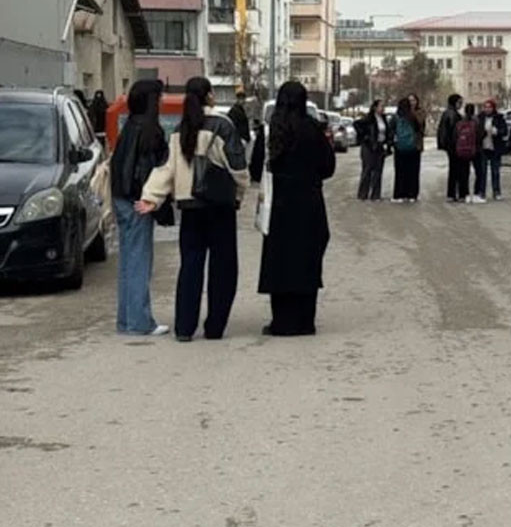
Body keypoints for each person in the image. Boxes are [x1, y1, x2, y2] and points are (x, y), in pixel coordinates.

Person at [138, 76, 248, 342]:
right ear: (210, 95)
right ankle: (214, 328)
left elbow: (166, 167)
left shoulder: (179, 130)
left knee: (190, 267)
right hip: (219, 207)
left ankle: (185, 327)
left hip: (190, 208)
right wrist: (239, 193)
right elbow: (237, 166)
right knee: (223, 268)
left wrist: (150, 197)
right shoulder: (223, 126)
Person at [257, 81, 335, 337]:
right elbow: (328, 167)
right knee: (307, 260)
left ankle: (282, 320)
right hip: (309, 202)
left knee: (280, 261)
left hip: (279, 205)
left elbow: (256, 166)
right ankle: (305, 320)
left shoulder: (271, 131)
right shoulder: (312, 129)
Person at [110, 80, 171, 336]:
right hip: (139, 200)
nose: (161, 102)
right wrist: (151, 200)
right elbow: (151, 169)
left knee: (128, 262)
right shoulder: (150, 131)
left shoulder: (128, 127)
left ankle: (126, 319)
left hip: (121, 198)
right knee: (139, 262)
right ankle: (139, 321)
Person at [353, 100, 390, 201]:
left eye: (383, 106)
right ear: (375, 107)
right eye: (381, 106)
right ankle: (363, 194)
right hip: (369, 147)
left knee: (378, 171)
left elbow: (386, 131)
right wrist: (365, 137)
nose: (383, 108)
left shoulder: (384, 119)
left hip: (380, 146)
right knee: (367, 170)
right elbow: (356, 124)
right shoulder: (369, 118)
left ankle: (375, 195)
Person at [474, 99, 508, 202]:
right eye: (486, 107)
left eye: (489, 107)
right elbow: (476, 132)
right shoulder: (480, 118)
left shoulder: (499, 118)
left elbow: (505, 131)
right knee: (482, 171)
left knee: (495, 171)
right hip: (483, 147)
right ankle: (482, 192)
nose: (487, 109)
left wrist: (497, 132)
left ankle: (496, 191)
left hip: (495, 147)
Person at [390, 97, 423, 203]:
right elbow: (419, 130)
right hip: (413, 148)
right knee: (413, 172)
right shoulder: (413, 117)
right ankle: (412, 194)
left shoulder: (396, 117)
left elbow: (391, 130)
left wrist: (392, 143)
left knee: (400, 172)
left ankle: (399, 194)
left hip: (399, 148)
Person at [452, 103, 482, 203]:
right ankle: (477, 193)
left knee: (463, 173)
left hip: (462, 151)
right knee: (479, 172)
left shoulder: (460, 123)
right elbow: (481, 135)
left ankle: (463, 194)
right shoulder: (477, 122)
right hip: (475, 150)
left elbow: (455, 136)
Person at [437, 94, 464, 202]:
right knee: (456, 170)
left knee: (454, 169)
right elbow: (452, 131)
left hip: (450, 146)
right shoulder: (453, 115)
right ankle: (454, 193)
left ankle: (452, 193)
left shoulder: (448, 113)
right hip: (454, 146)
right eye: (459, 102)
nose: (461, 104)